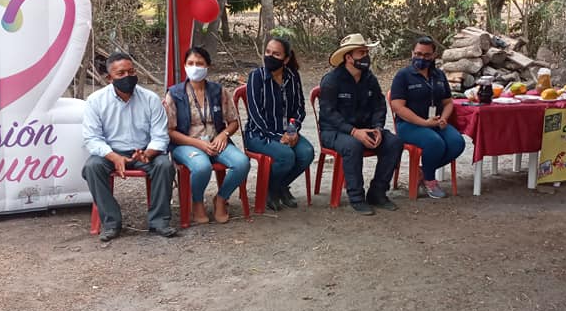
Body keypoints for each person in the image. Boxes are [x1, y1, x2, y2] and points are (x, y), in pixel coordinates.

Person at [82, 51, 177, 241]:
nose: (128, 77)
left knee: (164, 165)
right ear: (109, 78)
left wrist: (148, 153)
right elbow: (92, 138)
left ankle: (159, 221)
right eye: (121, 73)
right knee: (92, 167)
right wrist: (114, 156)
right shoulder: (95, 101)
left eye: (131, 72)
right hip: (111, 152)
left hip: (144, 151)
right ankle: (111, 223)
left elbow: (160, 136)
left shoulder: (150, 99)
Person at [318, 33, 402, 215]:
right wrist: (354, 131)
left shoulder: (369, 79)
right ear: (349, 57)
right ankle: (356, 197)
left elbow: (379, 105)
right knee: (352, 145)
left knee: (394, 142)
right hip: (334, 132)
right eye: (361, 53)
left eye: (366, 52)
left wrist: (378, 128)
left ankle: (378, 193)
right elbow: (329, 113)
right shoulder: (331, 80)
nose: (366, 57)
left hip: (365, 129)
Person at [165, 46, 250, 224]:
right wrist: (198, 144)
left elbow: (233, 121)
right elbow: (170, 131)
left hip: (216, 141)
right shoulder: (175, 94)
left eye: (199, 63)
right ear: (185, 66)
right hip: (186, 144)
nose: (194, 67)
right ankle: (197, 202)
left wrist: (223, 135)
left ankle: (221, 198)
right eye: (190, 63)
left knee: (242, 163)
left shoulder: (218, 91)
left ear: (207, 66)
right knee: (202, 166)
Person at [244, 35, 315, 211]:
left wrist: (291, 131)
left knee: (307, 153)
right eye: (268, 52)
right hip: (258, 134)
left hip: (286, 132)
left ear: (286, 59)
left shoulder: (293, 76)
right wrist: (277, 137)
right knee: (286, 156)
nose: (270, 56)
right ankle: (271, 189)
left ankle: (277, 187)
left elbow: (299, 107)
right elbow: (255, 114)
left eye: (276, 54)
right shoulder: (256, 77)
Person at [389, 35, 465, 198]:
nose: (421, 58)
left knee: (457, 142)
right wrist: (424, 123)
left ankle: (422, 172)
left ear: (433, 56)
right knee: (434, 143)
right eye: (418, 54)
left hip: (436, 123)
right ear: (412, 53)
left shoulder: (439, 75)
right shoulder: (403, 76)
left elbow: (448, 102)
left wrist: (444, 118)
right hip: (409, 125)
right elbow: (398, 107)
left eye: (426, 55)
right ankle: (430, 181)